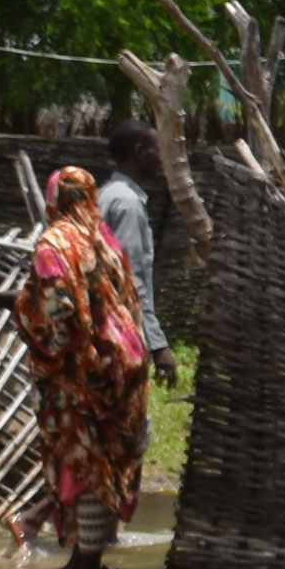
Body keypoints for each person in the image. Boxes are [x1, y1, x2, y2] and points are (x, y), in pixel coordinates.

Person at [0, 164, 149, 569]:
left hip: (80, 373)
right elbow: (128, 298)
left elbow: (57, 316)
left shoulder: (54, 243)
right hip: (123, 365)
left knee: (83, 466)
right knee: (105, 462)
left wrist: (23, 310)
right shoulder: (105, 238)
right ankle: (86, 564)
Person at [98, 120, 180, 389]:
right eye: (159, 150)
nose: (162, 158)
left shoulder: (106, 195)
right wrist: (158, 345)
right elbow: (130, 277)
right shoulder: (127, 204)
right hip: (117, 331)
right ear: (140, 152)